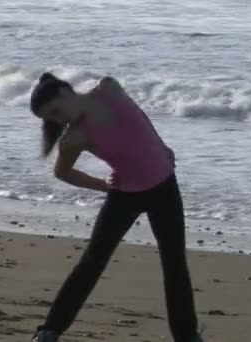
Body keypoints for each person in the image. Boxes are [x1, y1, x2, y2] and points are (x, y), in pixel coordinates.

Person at [28, 72, 203, 342]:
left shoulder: (109, 89)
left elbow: (139, 115)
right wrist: (103, 185)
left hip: (164, 187)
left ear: (66, 92)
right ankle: (49, 332)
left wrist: (161, 145)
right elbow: (62, 173)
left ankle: (187, 337)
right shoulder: (74, 137)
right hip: (126, 196)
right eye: (51, 119)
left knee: (175, 264)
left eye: (56, 112)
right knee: (92, 263)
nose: (58, 120)